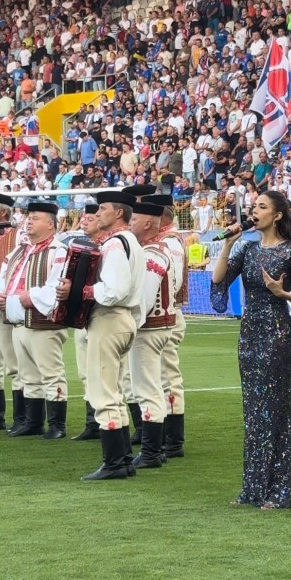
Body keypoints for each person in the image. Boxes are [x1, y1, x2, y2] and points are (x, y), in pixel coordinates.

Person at [210, 190, 291, 510]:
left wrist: (283, 292)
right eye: (255, 206)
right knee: (253, 414)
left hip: (276, 336)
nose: (255, 211)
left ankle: (280, 489)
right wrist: (227, 243)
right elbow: (219, 278)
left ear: (277, 215)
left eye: (262, 207)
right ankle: (253, 487)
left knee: (275, 411)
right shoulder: (248, 249)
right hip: (248, 335)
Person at [56, 190, 145, 481]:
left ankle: (114, 462)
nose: (98, 213)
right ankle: (123, 460)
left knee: (103, 393)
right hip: (123, 320)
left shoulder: (115, 245)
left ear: (118, 213)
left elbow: (114, 290)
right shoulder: (129, 241)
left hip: (109, 319)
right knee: (114, 392)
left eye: (103, 208)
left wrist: (79, 291)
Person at [0, 201, 68, 439]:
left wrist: (24, 297)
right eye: (29, 217)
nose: (29, 221)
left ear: (50, 224)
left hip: (43, 321)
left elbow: (55, 286)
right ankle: (33, 422)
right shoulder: (20, 250)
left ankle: (57, 424)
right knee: (27, 375)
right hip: (18, 320)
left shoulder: (58, 251)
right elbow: (4, 277)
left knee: (51, 372)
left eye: (35, 218)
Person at [128, 200, 176, 469]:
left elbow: (143, 300)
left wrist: (128, 326)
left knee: (147, 389)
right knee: (150, 387)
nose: (130, 223)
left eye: (134, 219)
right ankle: (154, 450)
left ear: (148, 223)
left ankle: (151, 452)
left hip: (150, 328)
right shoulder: (154, 250)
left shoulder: (151, 254)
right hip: (158, 325)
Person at [143, 194, 187, 459]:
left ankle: (173, 439)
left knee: (167, 377)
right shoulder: (165, 241)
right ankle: (164, 436)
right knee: (160, 376)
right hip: (164, 313)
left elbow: (172, 282)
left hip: (166, 314)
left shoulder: (170, 243)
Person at [71, 203, 106, 441]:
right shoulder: (80, 246)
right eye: (84, 218)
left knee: (107, 374)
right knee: (85, 372)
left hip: (102, 316)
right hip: (83, 317)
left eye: (91, 218)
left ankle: (110, 423)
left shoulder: (111, 248)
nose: (85, 222)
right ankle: (92, 423)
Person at [0, 193, 23, 433]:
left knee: (14, 364)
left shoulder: (17, 235)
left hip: (4, 304)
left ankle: (23, 418)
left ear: (3, 212)